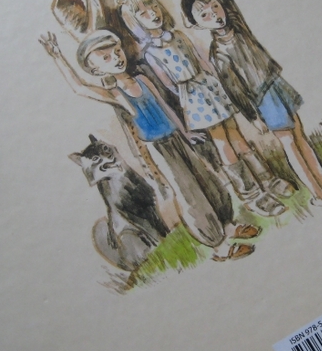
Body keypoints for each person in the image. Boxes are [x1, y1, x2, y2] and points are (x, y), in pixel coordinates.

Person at [39, 29, 259, 261]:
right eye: (106, 58)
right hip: (158, 148)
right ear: (96, 69)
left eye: (116, 51)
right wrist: (57, 56)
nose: (116, 57)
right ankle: (217, 245)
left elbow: (166, 107)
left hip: (176, 138)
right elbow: (80, 88)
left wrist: (186, 132)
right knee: (188, 193)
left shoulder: (142, 79)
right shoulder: (116, 94)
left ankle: (228, 225)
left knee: (206, 179)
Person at [181, 0, 322, 209]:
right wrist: (253, 117)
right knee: (289, 144)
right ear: (197, 24)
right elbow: (235, 90)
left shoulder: (237, 24)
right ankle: (319, 195)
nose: (213, 13)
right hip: (262, 98)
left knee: (299, 134)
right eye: (204, 14)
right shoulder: (218, 53)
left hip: (275, 83)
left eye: (214, 6)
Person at [119, 0, 291, 216]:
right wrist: (191, 97)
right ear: (136, 23)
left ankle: (267, 179)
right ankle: (251, 194)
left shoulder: (179, 35)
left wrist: (214, 82)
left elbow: (200, 60)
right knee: (221, 141)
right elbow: (168, 83)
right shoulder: (151, 52)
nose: (152, 13)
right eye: (143, 13)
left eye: (153, 6)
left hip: (209, 85)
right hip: (192, 95)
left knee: (235, 133)